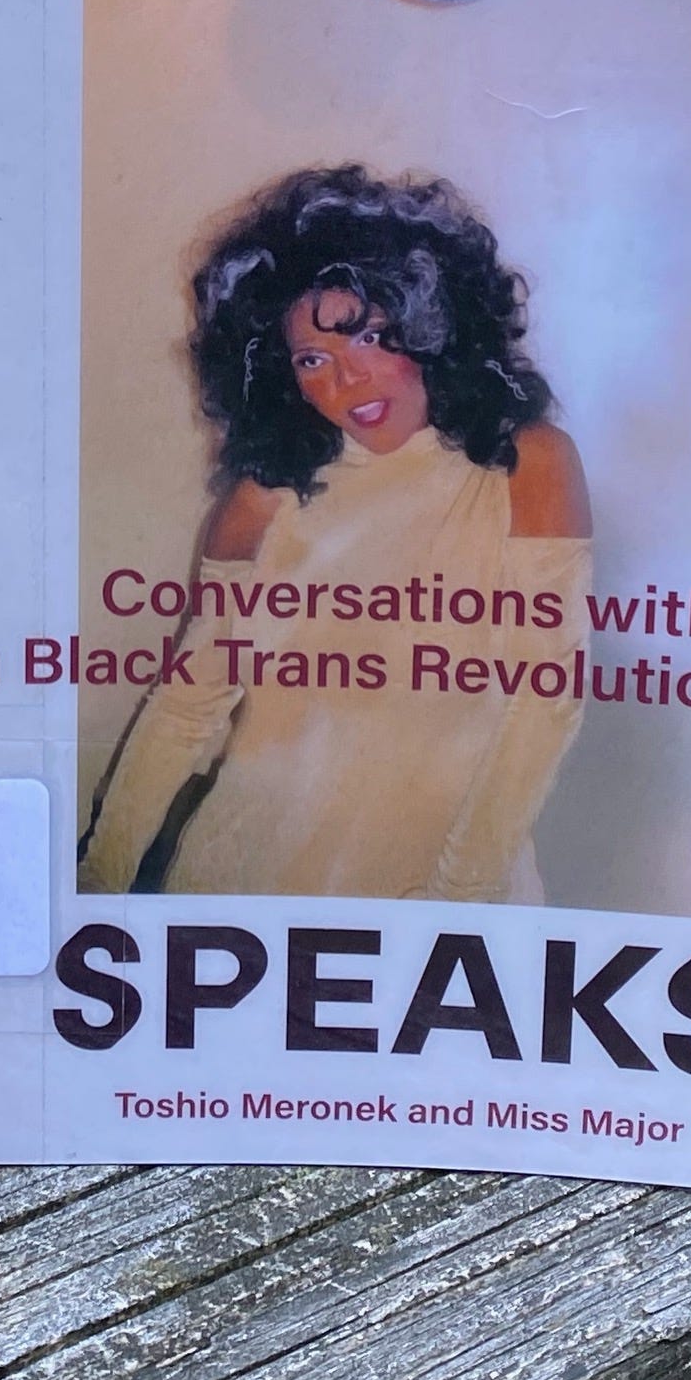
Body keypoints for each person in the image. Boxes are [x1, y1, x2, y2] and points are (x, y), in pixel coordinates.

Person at [81, 165, 593, 901]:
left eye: (372, 337)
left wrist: (456, 898)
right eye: (313, 360)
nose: (347, 381)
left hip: (446, 895)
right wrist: (99, 881)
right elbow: (185, 710)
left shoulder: (528, 465)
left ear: (432, 326)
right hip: (243, 885)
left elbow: (544, 704)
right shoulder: (262, 502)